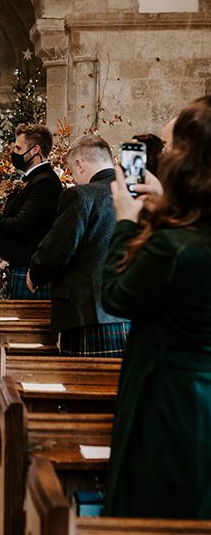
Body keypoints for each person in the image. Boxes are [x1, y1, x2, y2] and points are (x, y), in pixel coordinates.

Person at [102, 95, 211, 518]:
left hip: (172, 397)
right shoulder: (193, 231)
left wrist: (127, 220)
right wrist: (165, 204)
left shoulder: (176, 246)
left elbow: (116, 294)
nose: (162, 156)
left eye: (170, 147)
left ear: (191, 159)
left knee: (159, 509)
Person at [27, 135, 130, 356]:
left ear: (79, 164)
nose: (73, 178)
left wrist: (35, 272)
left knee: (81, 382)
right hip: (127, 314)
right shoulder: (135, 193)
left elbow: (58, 248)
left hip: (87, 315)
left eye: (72, 172)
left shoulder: (81, 196)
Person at [0, 123, 63, 298]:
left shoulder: (45, 182)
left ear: (35, 150)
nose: (14, 153)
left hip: (29, 270)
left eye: (18, 148)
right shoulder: (31, 179)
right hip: (18, 267)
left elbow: (22, 225)